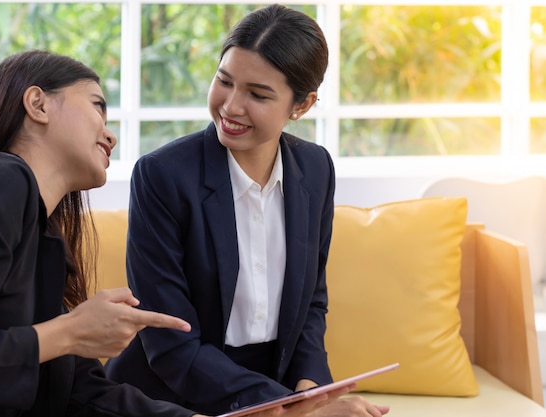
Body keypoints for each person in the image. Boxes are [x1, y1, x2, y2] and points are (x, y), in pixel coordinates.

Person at [105, 4, 390, 417]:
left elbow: (311, 300)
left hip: (271, 387)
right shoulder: (161, 176)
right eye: (224, 81)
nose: (231, 106)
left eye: (258, 94)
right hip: (170, 394)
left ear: (302, 105)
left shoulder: (315, 169)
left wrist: (309, 385)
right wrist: (283, 408)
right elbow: (170, 342)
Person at [0, 49, 198, 417]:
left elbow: (79, 391)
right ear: (38, 104)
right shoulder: (2, 180)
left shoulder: (38, 234)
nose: (110, 134)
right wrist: (70, 331)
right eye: (97, 106)